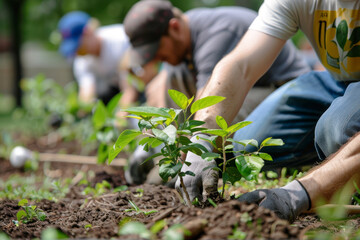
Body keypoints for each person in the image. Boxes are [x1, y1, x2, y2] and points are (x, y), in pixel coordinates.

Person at [173, 0, 360, 223]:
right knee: (248, 144)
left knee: (339, 131)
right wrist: (202, 139)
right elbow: (240, 65)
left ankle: (337, 157)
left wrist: (300, 192)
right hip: (334, 81)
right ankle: (333, 154)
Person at [122, 0, 312, 184]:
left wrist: (188, 156)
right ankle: (191, 162)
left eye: (157, 49)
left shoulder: (218, 32)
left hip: (283, 90)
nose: (156, 58)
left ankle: (208, 164)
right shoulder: (181, 44)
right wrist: (148, 146)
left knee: (219, 115)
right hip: (251, 89)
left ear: (174, 27)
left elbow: (210, 102)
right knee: (173, 75)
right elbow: (164, 96)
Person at [57, 11, 142, 110]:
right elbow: (87, 93)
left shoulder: (120, 41)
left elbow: (130, 89)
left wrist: (120, 118)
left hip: (140, 82)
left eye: (78, 45)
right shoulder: (82, 60)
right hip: (117, 88)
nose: (76, 51)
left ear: (88, 32)